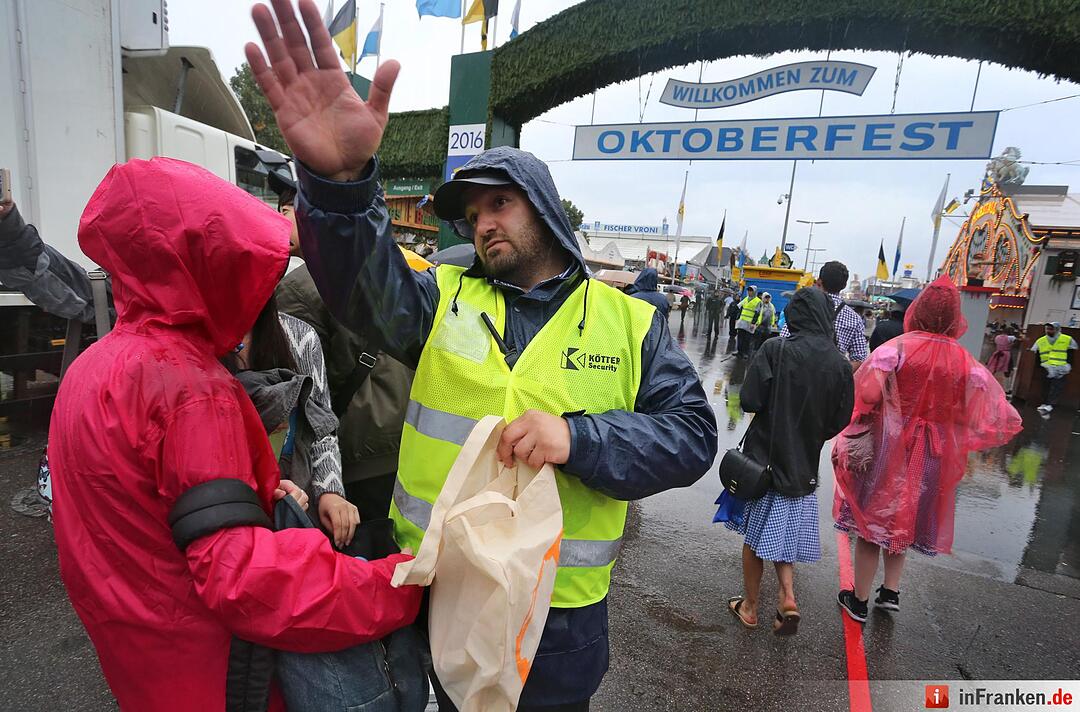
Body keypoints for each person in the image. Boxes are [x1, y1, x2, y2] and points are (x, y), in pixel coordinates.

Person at [244, 6, 718, 707]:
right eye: (473, 214)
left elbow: (691, 437)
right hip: (441, 583)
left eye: (501, 203)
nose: (484, 222)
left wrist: (579, 436)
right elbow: (359, 288)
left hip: (561, 609)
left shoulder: (631, 322)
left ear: (548, 211)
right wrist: (340, 189)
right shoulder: (441, 297)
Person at [49, 157, 423, 710]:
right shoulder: (191, 389)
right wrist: (398, 584)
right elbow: (248, 583)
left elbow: (140, 509)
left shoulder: (93, 367)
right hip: (215, 673)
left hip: (142, 657)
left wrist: (256, 496)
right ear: (208, 264)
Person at [832, 278, 1021, 623]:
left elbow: (867, 395)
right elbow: (989, 411)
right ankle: (890, 592)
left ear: (918, 310)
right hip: (933, 454)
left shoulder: (896, 350)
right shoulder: (965, 362)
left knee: (873, 522)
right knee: (904, 521)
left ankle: (858, 599)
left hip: (890, 447)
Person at [274, 184, 415, 522]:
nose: (280, 220)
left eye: (287, 211)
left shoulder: (298, 289)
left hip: (350, 453)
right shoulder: (396, 273)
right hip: (402, 437)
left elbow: (305, 392)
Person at [724, 288, 854, 635]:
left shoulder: (776, 349)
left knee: (754, 542)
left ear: (793, 315)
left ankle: (750, 607)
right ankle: (788, 597)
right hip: (802, 472)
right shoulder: (840, 364)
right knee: (783, 537)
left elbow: (749, 400)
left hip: (764, 466)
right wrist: (812, 433)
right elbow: (841, 419)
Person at [780, 261, 869, 368]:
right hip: (831, 380)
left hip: (797, 373)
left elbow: (783, 341)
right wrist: (836, 375)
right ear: (844, 285)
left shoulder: (803, 307)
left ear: (819, 282)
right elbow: (859, 359)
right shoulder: (855, 319)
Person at [1030, 322, 1076, 415]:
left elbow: (1071, 354)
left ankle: (1050, 404)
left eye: (1051, 329)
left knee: (1056, 387)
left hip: (1060, 368)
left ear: (1057, 329)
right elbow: (1038, 354)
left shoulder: (1066, 339)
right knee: (1045, 386)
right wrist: (1039, 366)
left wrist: (1068, 366)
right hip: (1046, 368)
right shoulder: (1041, 340)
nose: (1048, 331)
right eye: (1047, 329)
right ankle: (1045, 402)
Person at [734, 285, 761, 358]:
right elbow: (740, 308)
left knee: (747, 339)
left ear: (754, 292)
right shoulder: (746, 299)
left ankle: (745, 353)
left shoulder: (758, 301)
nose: (749, 292)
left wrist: (753, 323)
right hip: (742, 322)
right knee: (740, 338)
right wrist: (737, 318)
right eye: (748, 290)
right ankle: (739, 351)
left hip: (749, 323)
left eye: (751, 291)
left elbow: (757, 313)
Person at [704, 289, 724, 354]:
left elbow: (722, 305)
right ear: (714, 293)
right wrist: (708, 310)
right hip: (711, 313)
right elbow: (707, 305)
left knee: (716, 325)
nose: (717, 294)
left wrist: (720, 310)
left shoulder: (720, 299)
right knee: (710, 324)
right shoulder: (710, 298)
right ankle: (709, 333)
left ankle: (716, 334)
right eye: (716, 293)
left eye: (717, 293)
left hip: (717, 314)